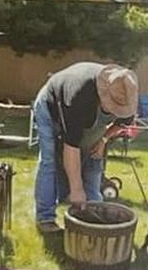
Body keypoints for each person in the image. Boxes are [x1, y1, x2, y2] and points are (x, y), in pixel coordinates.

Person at [31, 62, 139, 231]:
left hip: (82, 119)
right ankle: (45, 218)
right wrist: (77, 189)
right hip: (50, 107)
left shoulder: (126, 95)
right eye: (113, 106)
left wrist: (103, 140)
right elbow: (71, 146)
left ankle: (90, 215)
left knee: (93, 159)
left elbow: (122, 124)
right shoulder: (80, 97)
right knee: (49, 161)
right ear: (103, 94)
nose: (116, 110)